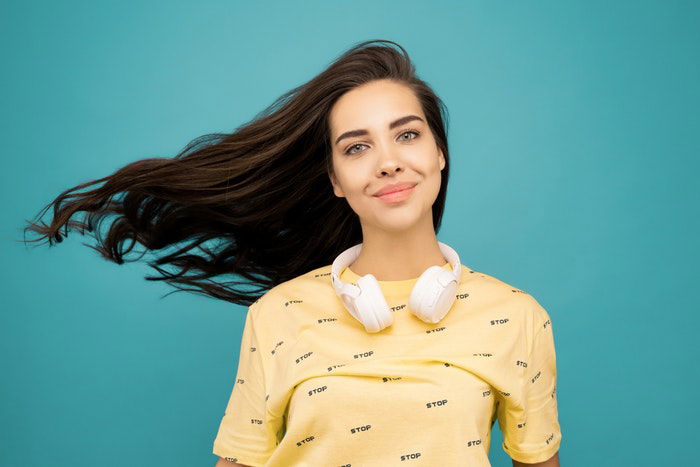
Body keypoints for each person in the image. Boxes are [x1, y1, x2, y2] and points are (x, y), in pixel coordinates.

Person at [21, 39, 562, 466]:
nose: (389, 162)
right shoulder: (277, 314)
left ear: (439, 153)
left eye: (408, 135)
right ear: (335, 180)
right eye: (357, 147)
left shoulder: (517, 318)